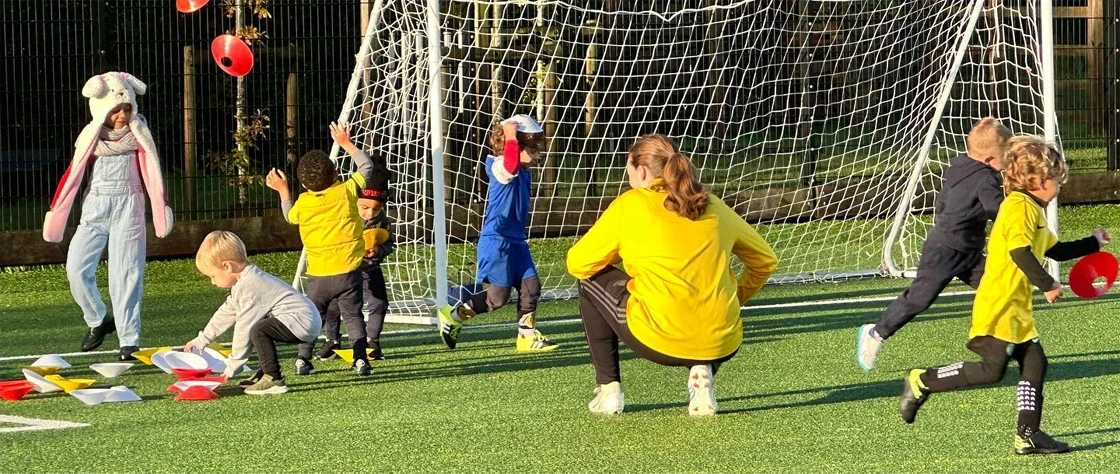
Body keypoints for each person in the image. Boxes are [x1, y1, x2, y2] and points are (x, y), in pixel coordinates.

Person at [898, 135, 1109, 454]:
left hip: (1017, 309)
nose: (1058, 188)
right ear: (1038, 180)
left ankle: (1028, 434)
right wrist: (1048, 285)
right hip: (999, 305)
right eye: (1056, 181)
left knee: (1035, 362)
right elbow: (1020, 253)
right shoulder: (1018, 207)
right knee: (991, 370)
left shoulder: (1033, 211)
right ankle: (923, 379)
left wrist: (1092, 243)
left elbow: (1055, 250)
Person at [566, 134, 778, 416]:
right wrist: (736, 298)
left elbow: (578, 263)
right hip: (723, 342)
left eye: (627, 167)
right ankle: (703, 370)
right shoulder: (713, 205)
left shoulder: (631, 204)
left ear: (640, 170)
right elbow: (766, 260)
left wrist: (625, 255)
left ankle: (608, 389)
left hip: (657, 339)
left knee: (588, 281)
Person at [856, 117, 1012, 371]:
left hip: (966, 249)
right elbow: (999, 210)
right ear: (991, 159)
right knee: (919, 299)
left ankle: (998, 342)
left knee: (997, 288)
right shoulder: (986, 178)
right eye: (1007, 156)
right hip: (946, 250)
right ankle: (875, 333)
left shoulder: (959, 165)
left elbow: (943, 202)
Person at [44, 71, 174, 361]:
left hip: (130, 206)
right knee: (76, 268)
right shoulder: (90, 136)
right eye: (116, 109)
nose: (122, 115)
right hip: (96, 207)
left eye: (127, 108)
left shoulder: (140, 133)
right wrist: (58, 209)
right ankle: (98, 319)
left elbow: (153, 172)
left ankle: (129, 340)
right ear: (102, 108)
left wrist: (160, 205)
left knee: (126, 273)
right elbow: (73, 173)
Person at [436, 115, 557, 352]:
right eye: (532, 150)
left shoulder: (524, 171)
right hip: (497, 241)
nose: (537, 156)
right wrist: (511, 135)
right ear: (515, 145)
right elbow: (509, 165)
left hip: (516, 241)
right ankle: (453, 316)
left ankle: (526, 337)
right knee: (496, 299)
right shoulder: (497, 166)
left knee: (531, 286)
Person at [265, 122, 374, 376]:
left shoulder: (302, 203)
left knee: (313, 318)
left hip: (319, 275)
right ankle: (360, 360)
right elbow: (366, 167)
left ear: (304, 185)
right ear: (336, 173)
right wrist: (345, 142)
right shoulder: (346, 191)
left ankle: (303, 359)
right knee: (354, 316)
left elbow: (290, 217)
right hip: (349, 271)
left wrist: (282, 190)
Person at [184, 231, 321, 396]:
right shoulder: (245, 282)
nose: (213, 282)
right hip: (303, 320)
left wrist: (233, 366)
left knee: (258, 329)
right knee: (260, 326)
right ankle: (264, 374)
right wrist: (202, 339)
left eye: (213, 276)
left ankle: (273, 378)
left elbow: (243, 328)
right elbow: (227, 312)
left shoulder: (250, 286)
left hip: (303, 321)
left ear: (227, 266)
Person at [311, 170, 395, 362]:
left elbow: (389, 243)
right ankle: (332, 340)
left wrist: (379, 250)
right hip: (345, 272)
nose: (369, 214)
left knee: (379, 302)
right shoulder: (344, 215)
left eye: (376, 209)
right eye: (364, 207)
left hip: (369, 270)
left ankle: (372, 342)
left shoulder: (382, 221)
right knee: (333, 307)